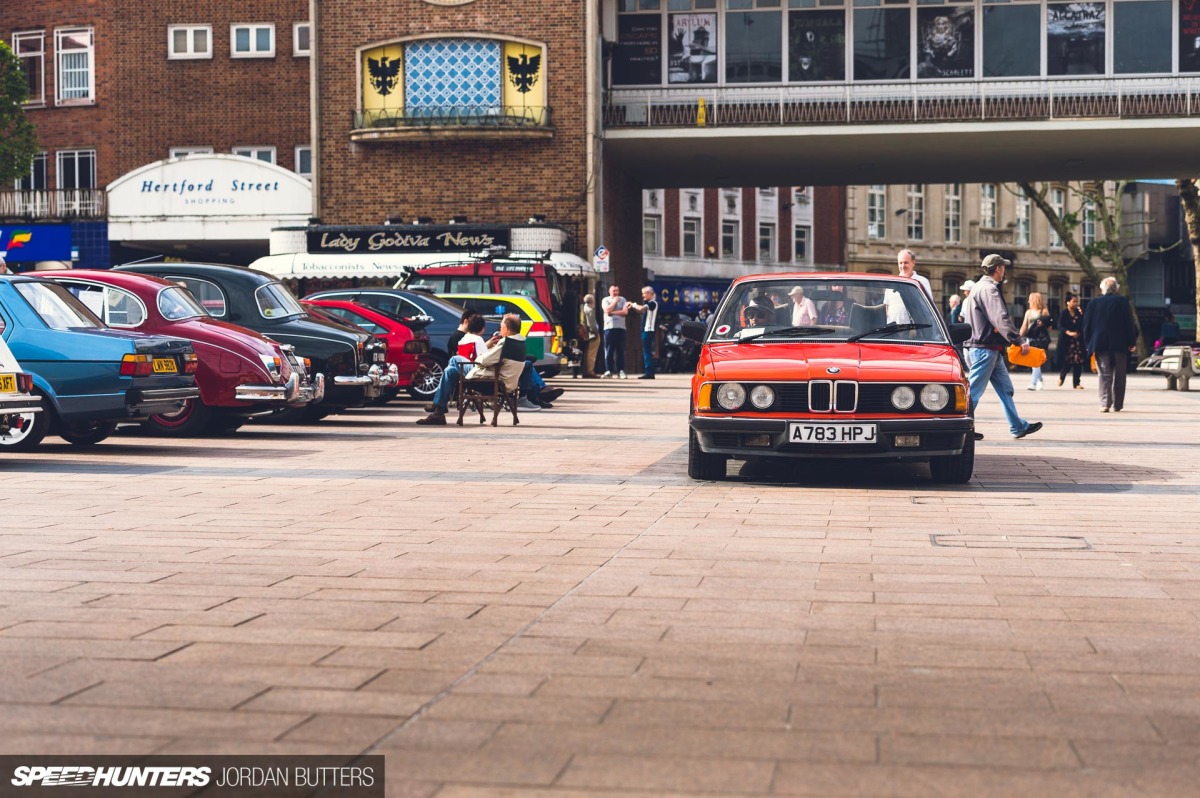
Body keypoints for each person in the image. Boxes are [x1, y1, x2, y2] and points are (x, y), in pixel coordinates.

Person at [964, 254, 1043, 440]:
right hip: (984, 348)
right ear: (998, 269)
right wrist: (1018, 340)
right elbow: (1000, 318)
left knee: (1005, 388)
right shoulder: (989, 289)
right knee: (974, 391)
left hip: (989, 348)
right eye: (1003, 268)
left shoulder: (978, 287)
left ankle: (1017, 426)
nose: (1004, 271)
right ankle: (962, 426)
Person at [417, 314, 526, 425]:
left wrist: (485, 353)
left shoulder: (506, 343)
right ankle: (439, 412)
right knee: (449, 371)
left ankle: (439, 405)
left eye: (501, 327)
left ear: (507, 329)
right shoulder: (520, 342)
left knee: (455, 359)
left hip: (491, 381)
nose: (500, 329)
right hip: (506, 382)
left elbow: (483, 360)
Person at [1082, 276, 1138, 413]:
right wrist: (1132, 342)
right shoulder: (1123, 301)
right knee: (1120, 375)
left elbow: (1087, 325)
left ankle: (1105, 403)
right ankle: (1118, 404)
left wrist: (1088, 343)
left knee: (1104, 374)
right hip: (1120, 344)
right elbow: (1129, 323)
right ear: (1116, 289)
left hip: (1100, 343)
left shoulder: (1093, 303)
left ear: (1102, 289)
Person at [1019, 292, 1053, 391]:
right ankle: (1040, 380)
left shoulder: (1044, 311)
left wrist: (1044, 323)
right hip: (1030, 339)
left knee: (1035, 361)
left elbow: (1050, 327)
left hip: (1041, 339)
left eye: (1030, 299)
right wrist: (1018, 338)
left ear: (1034, 300)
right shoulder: (1028, 312)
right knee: (1033, 361)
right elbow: (1024, 326)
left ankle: (1033, 383)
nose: (1028, 301)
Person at [626, 286, 660, 380]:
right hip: (647, 330)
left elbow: (641, 308)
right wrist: (633, 307)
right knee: (647, 351)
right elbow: (640, 310)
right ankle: (649, 372)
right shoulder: (650, 304)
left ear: (650, 293)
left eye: (644, 293)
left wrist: (633, 304)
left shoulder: (653, 303)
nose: (643, 295)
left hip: (648, 330)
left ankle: (649, 372)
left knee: (647, 351)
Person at [1056, 292, 1086, 389]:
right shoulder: (1064, 313)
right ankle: (1062, 376)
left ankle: (1076, 383)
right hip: (1067, 341)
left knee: (1078, 361)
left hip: (1077, 341)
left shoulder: (1079, 313)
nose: (1076, 304)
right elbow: (1060, 325)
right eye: (1074, 301)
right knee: (1068, 361)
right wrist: (1068, 332)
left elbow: (1083, 324)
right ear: (1068, 302)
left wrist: (1082, 314)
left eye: (1077, 302)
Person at [601, 284, 629, 378]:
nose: (616, 292)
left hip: (621, 328)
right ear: (610, 291)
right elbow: (606, 310)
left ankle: (621, 370)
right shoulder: (605, 300)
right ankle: (609, 370)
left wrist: (612, 312)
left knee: (620, 350)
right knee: (609, 350)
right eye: (614, 291)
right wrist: (614, 302)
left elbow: (625, 312)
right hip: (609, 328)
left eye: (617, 290)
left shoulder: (623, 299)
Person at [579, 294, 601, 378]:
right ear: (592, 301)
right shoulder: (590, 310)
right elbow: (591, 324)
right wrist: (595, 332)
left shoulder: (583, 308)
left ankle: (586, 370)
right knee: (591, 353)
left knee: (587, 353)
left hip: (586, 334)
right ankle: (590, 371)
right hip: (592, 334)